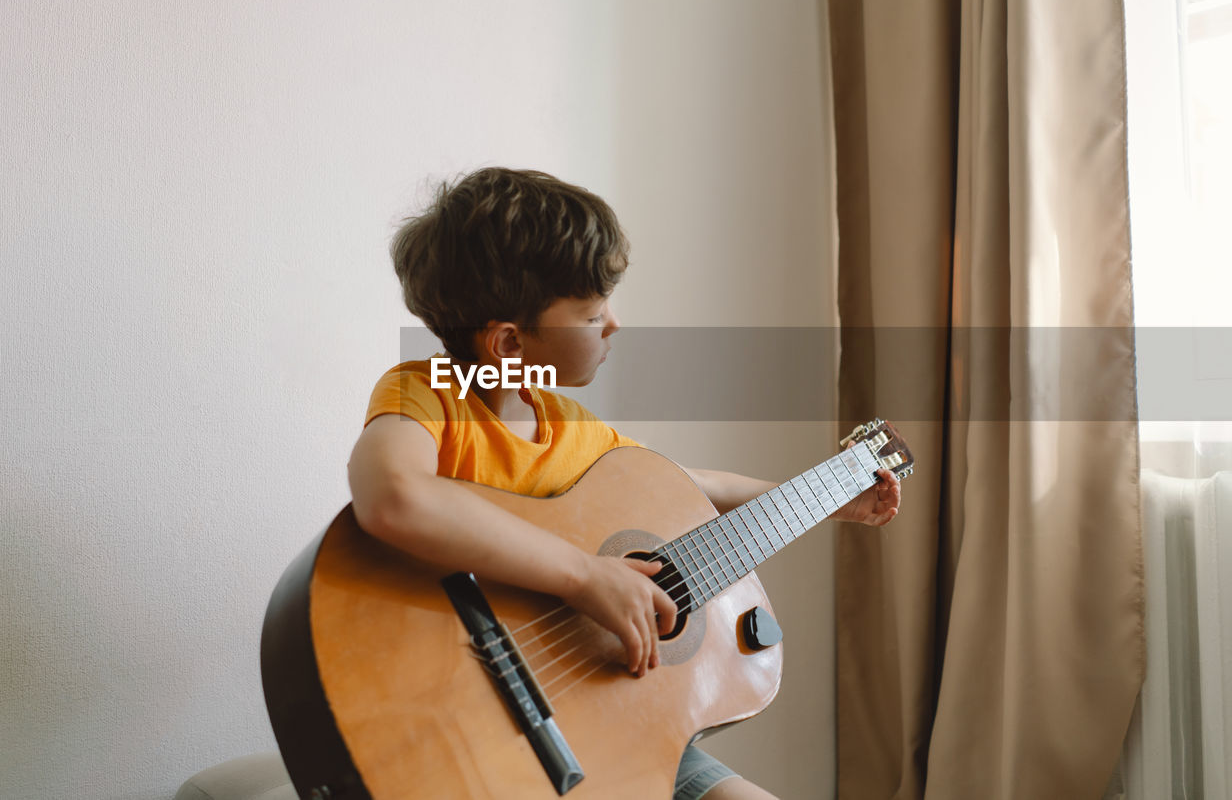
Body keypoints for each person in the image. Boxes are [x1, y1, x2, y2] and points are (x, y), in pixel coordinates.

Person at [347, 167, 901, 800]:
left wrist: (831, 497)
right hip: (478, 733)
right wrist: (586, 577)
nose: (613, 324)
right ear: (508, 341)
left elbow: (686, 486)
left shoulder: (569, 426)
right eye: (591, 312)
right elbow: (392, 496)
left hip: (616, 727)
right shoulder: (432, 396)